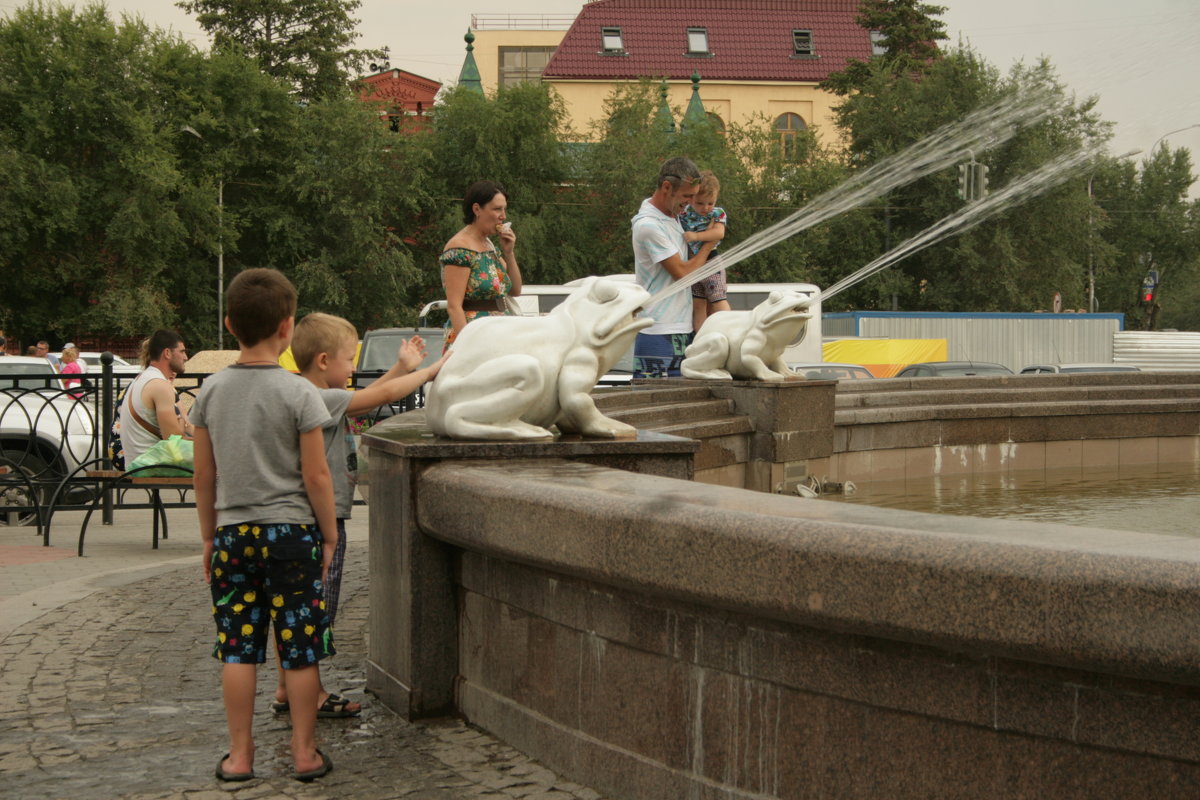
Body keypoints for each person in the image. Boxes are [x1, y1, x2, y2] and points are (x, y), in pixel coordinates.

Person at [190, 267, 338, 783]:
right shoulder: (300, 394)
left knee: (237, 647)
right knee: (298, 647)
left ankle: (240, 756)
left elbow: (203, 475)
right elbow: (316, 475)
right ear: (287, 328)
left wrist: (209, 536)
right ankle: (303, 752)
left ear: (230, 325)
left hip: (233, 535)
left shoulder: (209, 392)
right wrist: (330, 534)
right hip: (291, 535)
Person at [272, 313, 447, 719]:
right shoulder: (321, 398)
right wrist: (431, 370)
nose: (353, 368)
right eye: (349, 359)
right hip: (324, 520)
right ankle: (309, 694)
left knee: (300, 608)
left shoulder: (306, 392)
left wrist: (401, 368)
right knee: (318, 609)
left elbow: (372, 395)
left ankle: (287, 688)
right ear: (321, 361)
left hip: (301, 519)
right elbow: (375, 397)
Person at [631, 157, 718, 378]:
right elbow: (682, 273)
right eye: (687, 196)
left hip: (683, 329)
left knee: (683, 408)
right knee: (652, 407)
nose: (690, 202)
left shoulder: (674, 217)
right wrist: (709, 245)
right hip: (656, 331)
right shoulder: (649, 225)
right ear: (667, 187)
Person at [440, 180, 522, 352]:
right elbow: (454, 306)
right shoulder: (460, 246)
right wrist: (468, 346)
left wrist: (509, 253)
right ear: (477, 209)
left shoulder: (489, 246)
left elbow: (515, 290)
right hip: (474, 333)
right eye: (497, 209)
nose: (503, 216)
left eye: (504, 209)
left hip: (499, 331)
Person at [116, 330, 190, 466]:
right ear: (167, 353)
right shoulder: (160, 385)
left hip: (139, 461)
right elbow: (174, 440)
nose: (185, 357)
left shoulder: (142, 378)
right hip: (151, 465)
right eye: (182, 351)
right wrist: (181, 424)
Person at [680, 171, 731, 332]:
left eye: (710, 203)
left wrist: (696, 236)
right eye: (700, 203)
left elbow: (718, 233)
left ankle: (732, 330)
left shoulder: (717, 213)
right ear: (692, 198)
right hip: (692, 265)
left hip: (711, 261)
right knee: (698, 304)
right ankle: (700, 337)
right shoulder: (684, 212)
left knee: (718, 299)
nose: (706, 208)